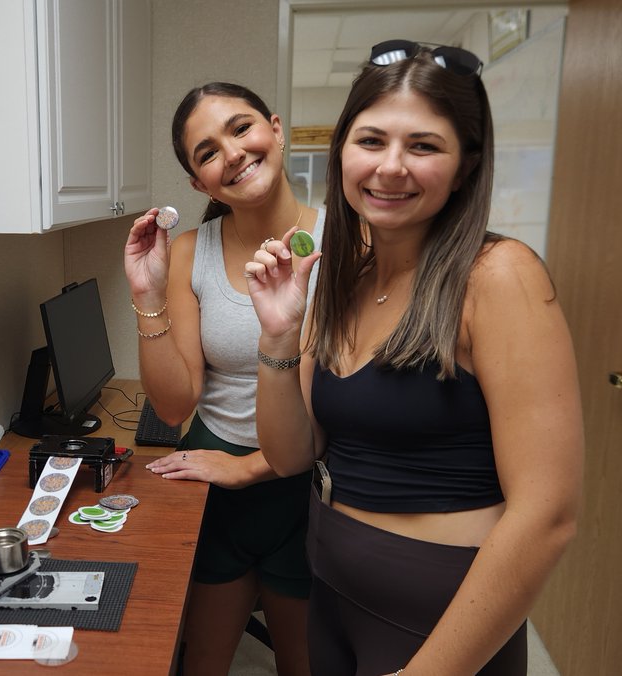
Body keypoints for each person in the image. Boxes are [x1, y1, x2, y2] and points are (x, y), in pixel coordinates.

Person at [244, 41, 584, 675]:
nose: (391, 167)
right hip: (333, 594)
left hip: (438, 628)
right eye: (371, 140)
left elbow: (549, 515)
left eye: (423, 146)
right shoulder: (343, 278)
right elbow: (293, 454)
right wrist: (277, 340)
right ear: (341, 149)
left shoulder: (497, 277)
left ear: (464, 166)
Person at [122, 82, 323, 676]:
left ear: (277, 129)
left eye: (241, 129)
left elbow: (322, 407)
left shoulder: (345, 242)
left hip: (304, 484)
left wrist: (248, 467)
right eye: (207, 152)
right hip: (210, 478)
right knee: (201, 661)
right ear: (198, 183)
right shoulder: (190, 251)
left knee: (303, 662)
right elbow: (175, 399)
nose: (232, 153)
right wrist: (148, 293)